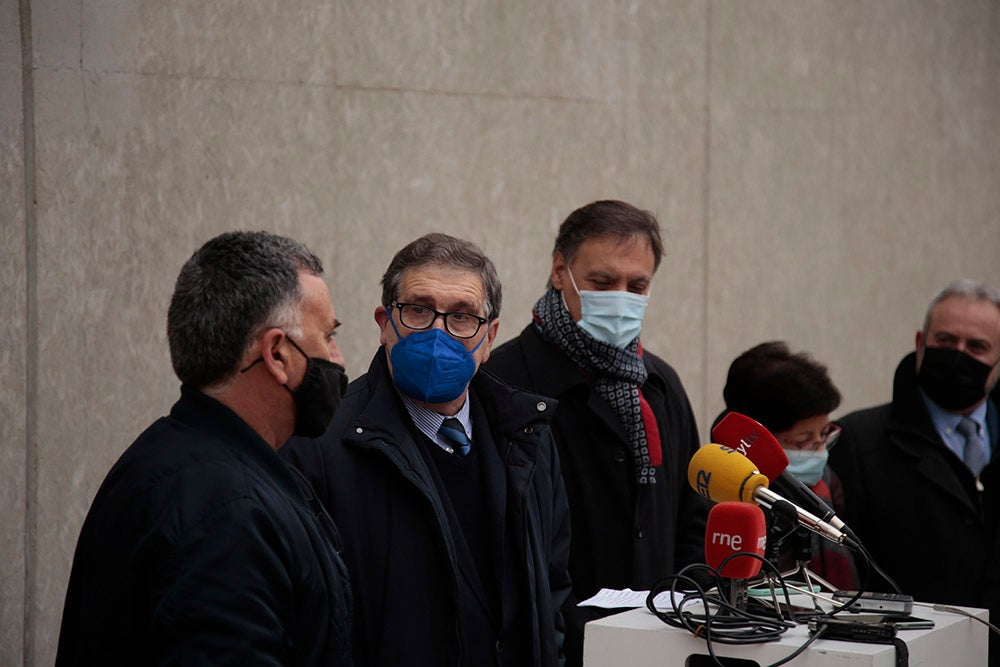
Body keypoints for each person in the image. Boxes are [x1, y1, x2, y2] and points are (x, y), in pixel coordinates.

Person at [56, 231, 353, 665]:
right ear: (277, 354)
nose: (338, 360)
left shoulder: (180, 460)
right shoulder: (226, 512)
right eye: (327, 336)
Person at [282, 232, 572, 666]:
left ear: (489, 338)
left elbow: (550, 590)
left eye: (462, 317)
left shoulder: (529, 438)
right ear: (384, 323)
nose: (438, 332)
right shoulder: (320, 445)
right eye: (418, 310)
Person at [484, 200, 708, 666]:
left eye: (637, 285)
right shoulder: (503, 382)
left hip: (658, 645)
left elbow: (694, 518)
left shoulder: (659, 384)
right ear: (560, 270)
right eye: (603, 282)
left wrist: (683, 608)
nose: (621, 297)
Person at [827, 279, 1000, 664]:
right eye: (945, 340)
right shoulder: (858, 441)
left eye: (977, 347)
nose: (959, 355)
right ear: (920, 342)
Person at [718, 341, 859, 591]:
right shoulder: (721, 495)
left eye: (825, 434)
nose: (819, 450)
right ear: (755, 438)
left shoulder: (826, 485)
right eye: (803, 440)